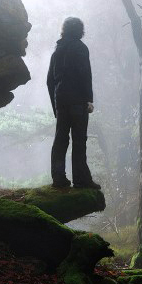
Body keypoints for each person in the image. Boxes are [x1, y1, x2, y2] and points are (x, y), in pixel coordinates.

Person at [45, 16, 99, 189]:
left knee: (60, 139)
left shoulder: (57, 51)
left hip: (61, 100)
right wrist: (89, 99)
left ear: (64, 30)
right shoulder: (81, 48)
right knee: (79, 140)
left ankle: (58, 178)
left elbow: (49, 81)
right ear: (80, 30)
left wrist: (56, 106)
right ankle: (81, 180)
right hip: (78, 101)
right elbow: (85, 75)